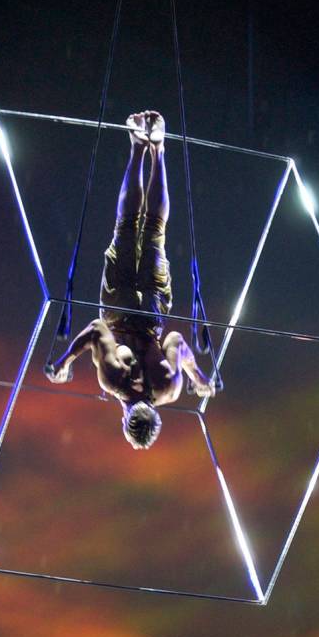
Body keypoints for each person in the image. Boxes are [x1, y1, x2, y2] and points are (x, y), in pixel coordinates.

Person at [45, 110, 215, 449]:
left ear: (156, 420)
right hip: (120, 306)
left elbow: (178, 342)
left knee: (153, 229)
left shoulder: (167, 388)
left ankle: (158, 149)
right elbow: (96, 329)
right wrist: (64, 364)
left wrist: (198, 378)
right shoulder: (114, 380)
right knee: (126, 226)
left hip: (151, 313)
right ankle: (139, 146)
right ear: (125, 422)